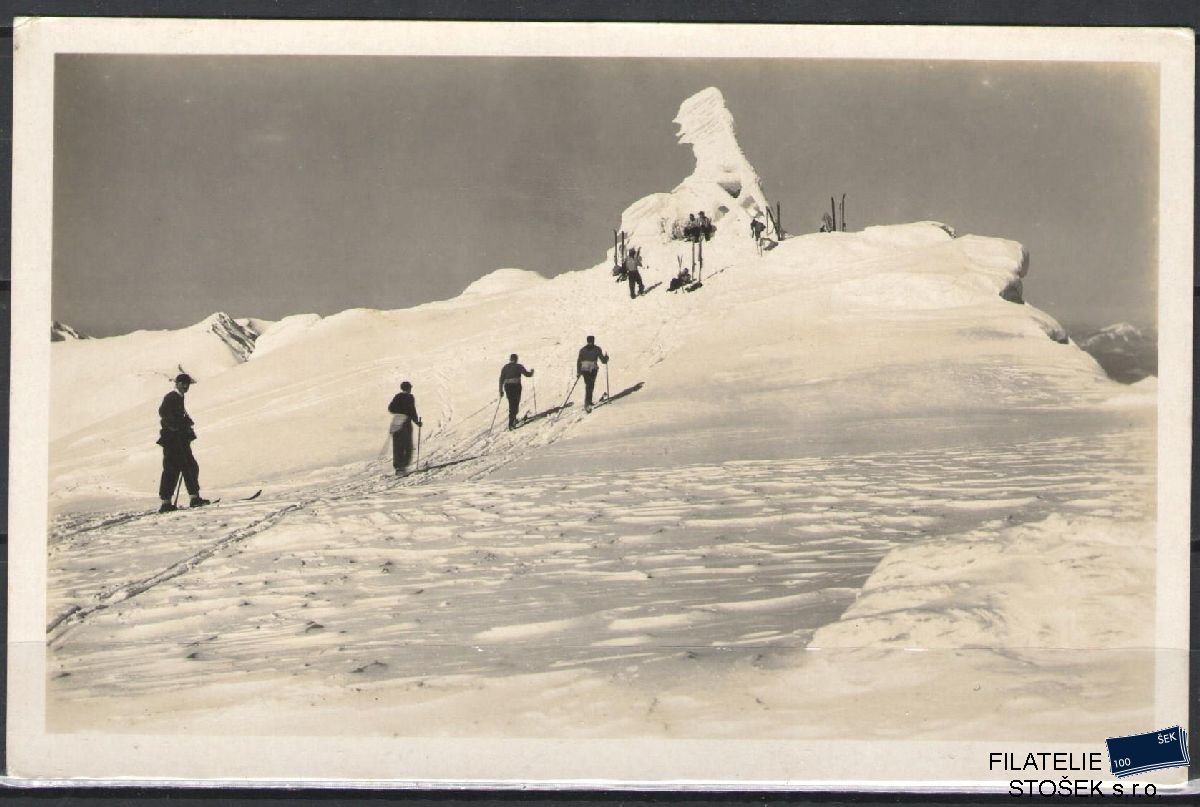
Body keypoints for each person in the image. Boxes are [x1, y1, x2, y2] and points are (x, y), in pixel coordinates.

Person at [156, 373, 210, 512]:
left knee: (183, 467)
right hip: (173, 439)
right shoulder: (172, 397)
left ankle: (173, 501)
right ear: (177, 383)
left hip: (177, 438)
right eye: (183, 383)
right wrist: (175, 426)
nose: (186, 386)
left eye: (187, 384)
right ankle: (173, 501)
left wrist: (183, 423)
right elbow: (163, 412)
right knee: (178, 468)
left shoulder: (178, 397)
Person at [387, 381, 422, 475]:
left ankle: (398, 468)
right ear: (408, 388)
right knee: (407, 445)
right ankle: (403, 467)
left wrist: (400, 412)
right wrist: (417, 422)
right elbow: (412, 411)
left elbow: (390, 408)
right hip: (405, 423)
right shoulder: (410, 397)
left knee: (398, 446)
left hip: (396, 422)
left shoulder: (397, 396)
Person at [498, 354, 534, 430]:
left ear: (510, 359)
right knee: (515, 403)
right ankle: (511, 423)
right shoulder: (518, 366)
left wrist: (501, 391)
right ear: (516, 359)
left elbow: (501, 379)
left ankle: (513, 419)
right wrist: (532, 372)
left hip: (507, 387)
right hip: (516, 386)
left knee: (511, 403)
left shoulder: (505, 367)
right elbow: (527, 375)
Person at [576, 336, 609, 412]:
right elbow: (603, 361)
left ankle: (589, 402)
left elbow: (579, 361)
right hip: (592, 369)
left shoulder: (583, 350)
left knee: (590, 385)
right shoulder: (597, 349)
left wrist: (578, 371)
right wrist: (606, 358)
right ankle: (587, 404)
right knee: (590, 385)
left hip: (585, 369)